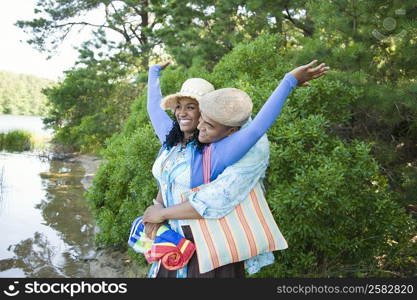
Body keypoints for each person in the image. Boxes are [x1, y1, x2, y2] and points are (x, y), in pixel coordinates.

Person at [143, 60, 330, 278]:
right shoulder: (172, 141)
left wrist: (289, 81)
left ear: (205, 112)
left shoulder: (215, 152)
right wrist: (154, 72)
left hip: (206, 246)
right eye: (179, 106)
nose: (182, 113)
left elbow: (256, 128)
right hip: (171, 241)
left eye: (191, 107)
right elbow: (153, 110)